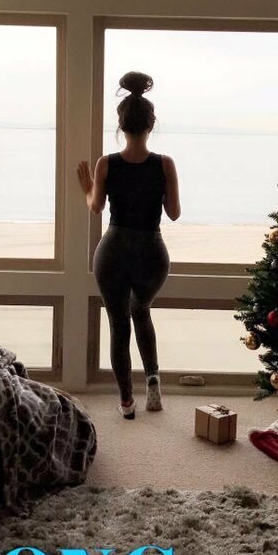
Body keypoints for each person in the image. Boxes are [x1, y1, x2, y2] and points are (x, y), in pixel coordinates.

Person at [77, 71, 181, 419]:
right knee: (142, 311)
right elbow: (174, 213)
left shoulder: (106, 163)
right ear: (151, 125)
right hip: (152, 251)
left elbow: (96, 207)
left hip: (114, 251)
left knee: (119, 324)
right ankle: (153, 382)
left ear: (121, 126)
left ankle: (126, 402)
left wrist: (88, 188)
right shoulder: (165, 164)